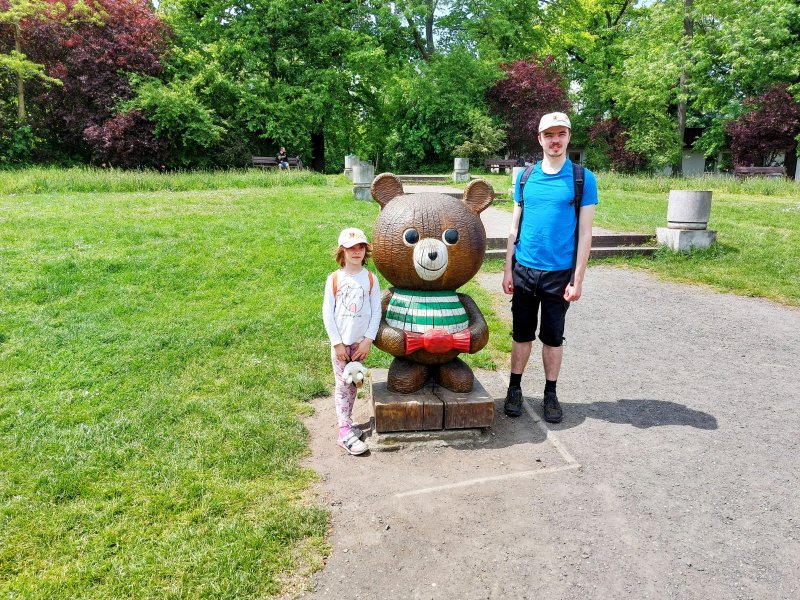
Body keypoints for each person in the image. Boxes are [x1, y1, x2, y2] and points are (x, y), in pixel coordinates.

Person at [501, 112, 598, 423]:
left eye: (561, 134)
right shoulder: (525, 178)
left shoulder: (583, 178)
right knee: (521, 335)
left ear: (568, 136)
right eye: (549, 134)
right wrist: (507, 269)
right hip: (525, 269)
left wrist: (578, 279)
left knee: (553, 338)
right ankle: (514, 389)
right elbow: (514, 227)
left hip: (559, 274)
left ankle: (550, 393)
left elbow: (585, 232)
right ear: (540, 139)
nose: (555, 140)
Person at [322, 227, 381, 455]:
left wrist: (368, 340)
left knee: (355, 384)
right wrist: (336, 343)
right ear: (342, 251)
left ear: (366, 250)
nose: (356, 252)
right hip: (341, 345)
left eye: (360, 248)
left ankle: (347, 420)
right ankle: (344, 431)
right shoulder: (335, 279)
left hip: (359, 345)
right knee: (342, 385)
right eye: (351, 248)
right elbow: (328, 313)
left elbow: (376, 311)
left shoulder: (370, 279)